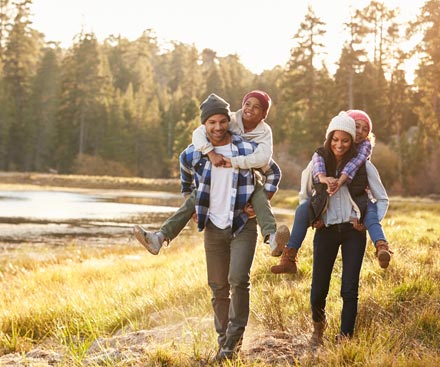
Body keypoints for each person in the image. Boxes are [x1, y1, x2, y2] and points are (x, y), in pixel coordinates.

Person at [177, 94, 282, 360]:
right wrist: (191, 200)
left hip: (242, 223)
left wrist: (261, 199)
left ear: (228, 122)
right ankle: (224, 343)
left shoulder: (245, 148)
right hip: (213, 225)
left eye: (222, 121)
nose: (218, 127)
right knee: (217, 286)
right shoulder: (197, 151)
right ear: (204, 125)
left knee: (238, 280)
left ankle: (233, 343)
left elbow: (273, 171)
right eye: (212, 122)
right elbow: (184, 169)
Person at [133, 90, 290, 257]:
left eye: (257, 107)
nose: (250, 108)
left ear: (264, 114)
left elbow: (266, 160)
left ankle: (272, 238)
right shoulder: (228, 120)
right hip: (217, 177)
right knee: (197, 195)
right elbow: (199, 134)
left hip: (248, 177)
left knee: (259, 194)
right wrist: (210, 153)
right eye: (247, 104)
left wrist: (261, 199)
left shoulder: (264, 134)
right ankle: (159, 237)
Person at [301, 112, 389, 344]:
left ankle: (345, 337)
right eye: (335, 139)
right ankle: (318, 329)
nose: (340, 144)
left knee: (349, 288)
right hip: (326, 230)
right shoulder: (318, 163)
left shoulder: (364, 167)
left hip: (353, 233)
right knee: (318, 288)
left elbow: (382, 199)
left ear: (352, 140)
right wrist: (313, 218)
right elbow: (304, 196)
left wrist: (365, 222)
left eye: (346, 139)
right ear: (330, 138)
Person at [271, 109, 392, 275]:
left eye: (365, 130)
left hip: (358, 204)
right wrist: (315, 215)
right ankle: (289, 256)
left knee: (370, 213)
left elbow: (358, 169)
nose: (360, 132)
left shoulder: (363, 155)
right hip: (326, 212)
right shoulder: (322, 155)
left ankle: (382, 247)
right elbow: (307, 186)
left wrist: (341, 181)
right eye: (357, 126)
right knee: (302, 210)